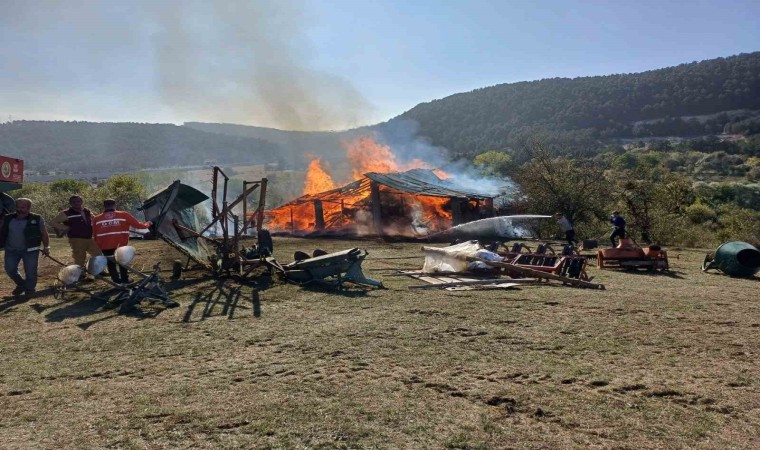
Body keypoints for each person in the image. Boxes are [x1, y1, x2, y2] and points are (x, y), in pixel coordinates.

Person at [0, 198, 50, 298]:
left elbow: (44, 233)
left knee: (31, 271)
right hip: (11, 249)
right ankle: (22, 284)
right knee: (10, 269)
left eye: (22, 207)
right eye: (17, 207)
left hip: (30, 250)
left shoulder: (37, 218)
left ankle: (30, 289)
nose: (19, 209)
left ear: (29, 208)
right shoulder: (7, 218)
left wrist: (46, 247)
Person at [93, 199, 151, 284]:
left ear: (104, 206)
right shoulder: (123, 215)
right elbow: (138, 226)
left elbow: (95, 234)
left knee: (110, 263)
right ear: (115, 205)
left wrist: (98, 245)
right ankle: (125, 280)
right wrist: (148, 224)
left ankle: (116, 281)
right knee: (122, 261)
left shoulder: (96, 218)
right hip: (120, 244)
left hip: (104, 245)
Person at [51, 195, 102, 269]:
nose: (76, 203)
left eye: (78, 201)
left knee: (98, 254)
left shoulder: (86, 211)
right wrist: (64, 227)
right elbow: (53, 222)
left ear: (81, 202)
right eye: (74, 202)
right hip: (76, 239)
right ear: (70, 203)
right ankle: (80, 274)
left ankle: (98, 270)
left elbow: (93, 219)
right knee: (80, 258)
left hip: (89, 237)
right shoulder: (66, 213)